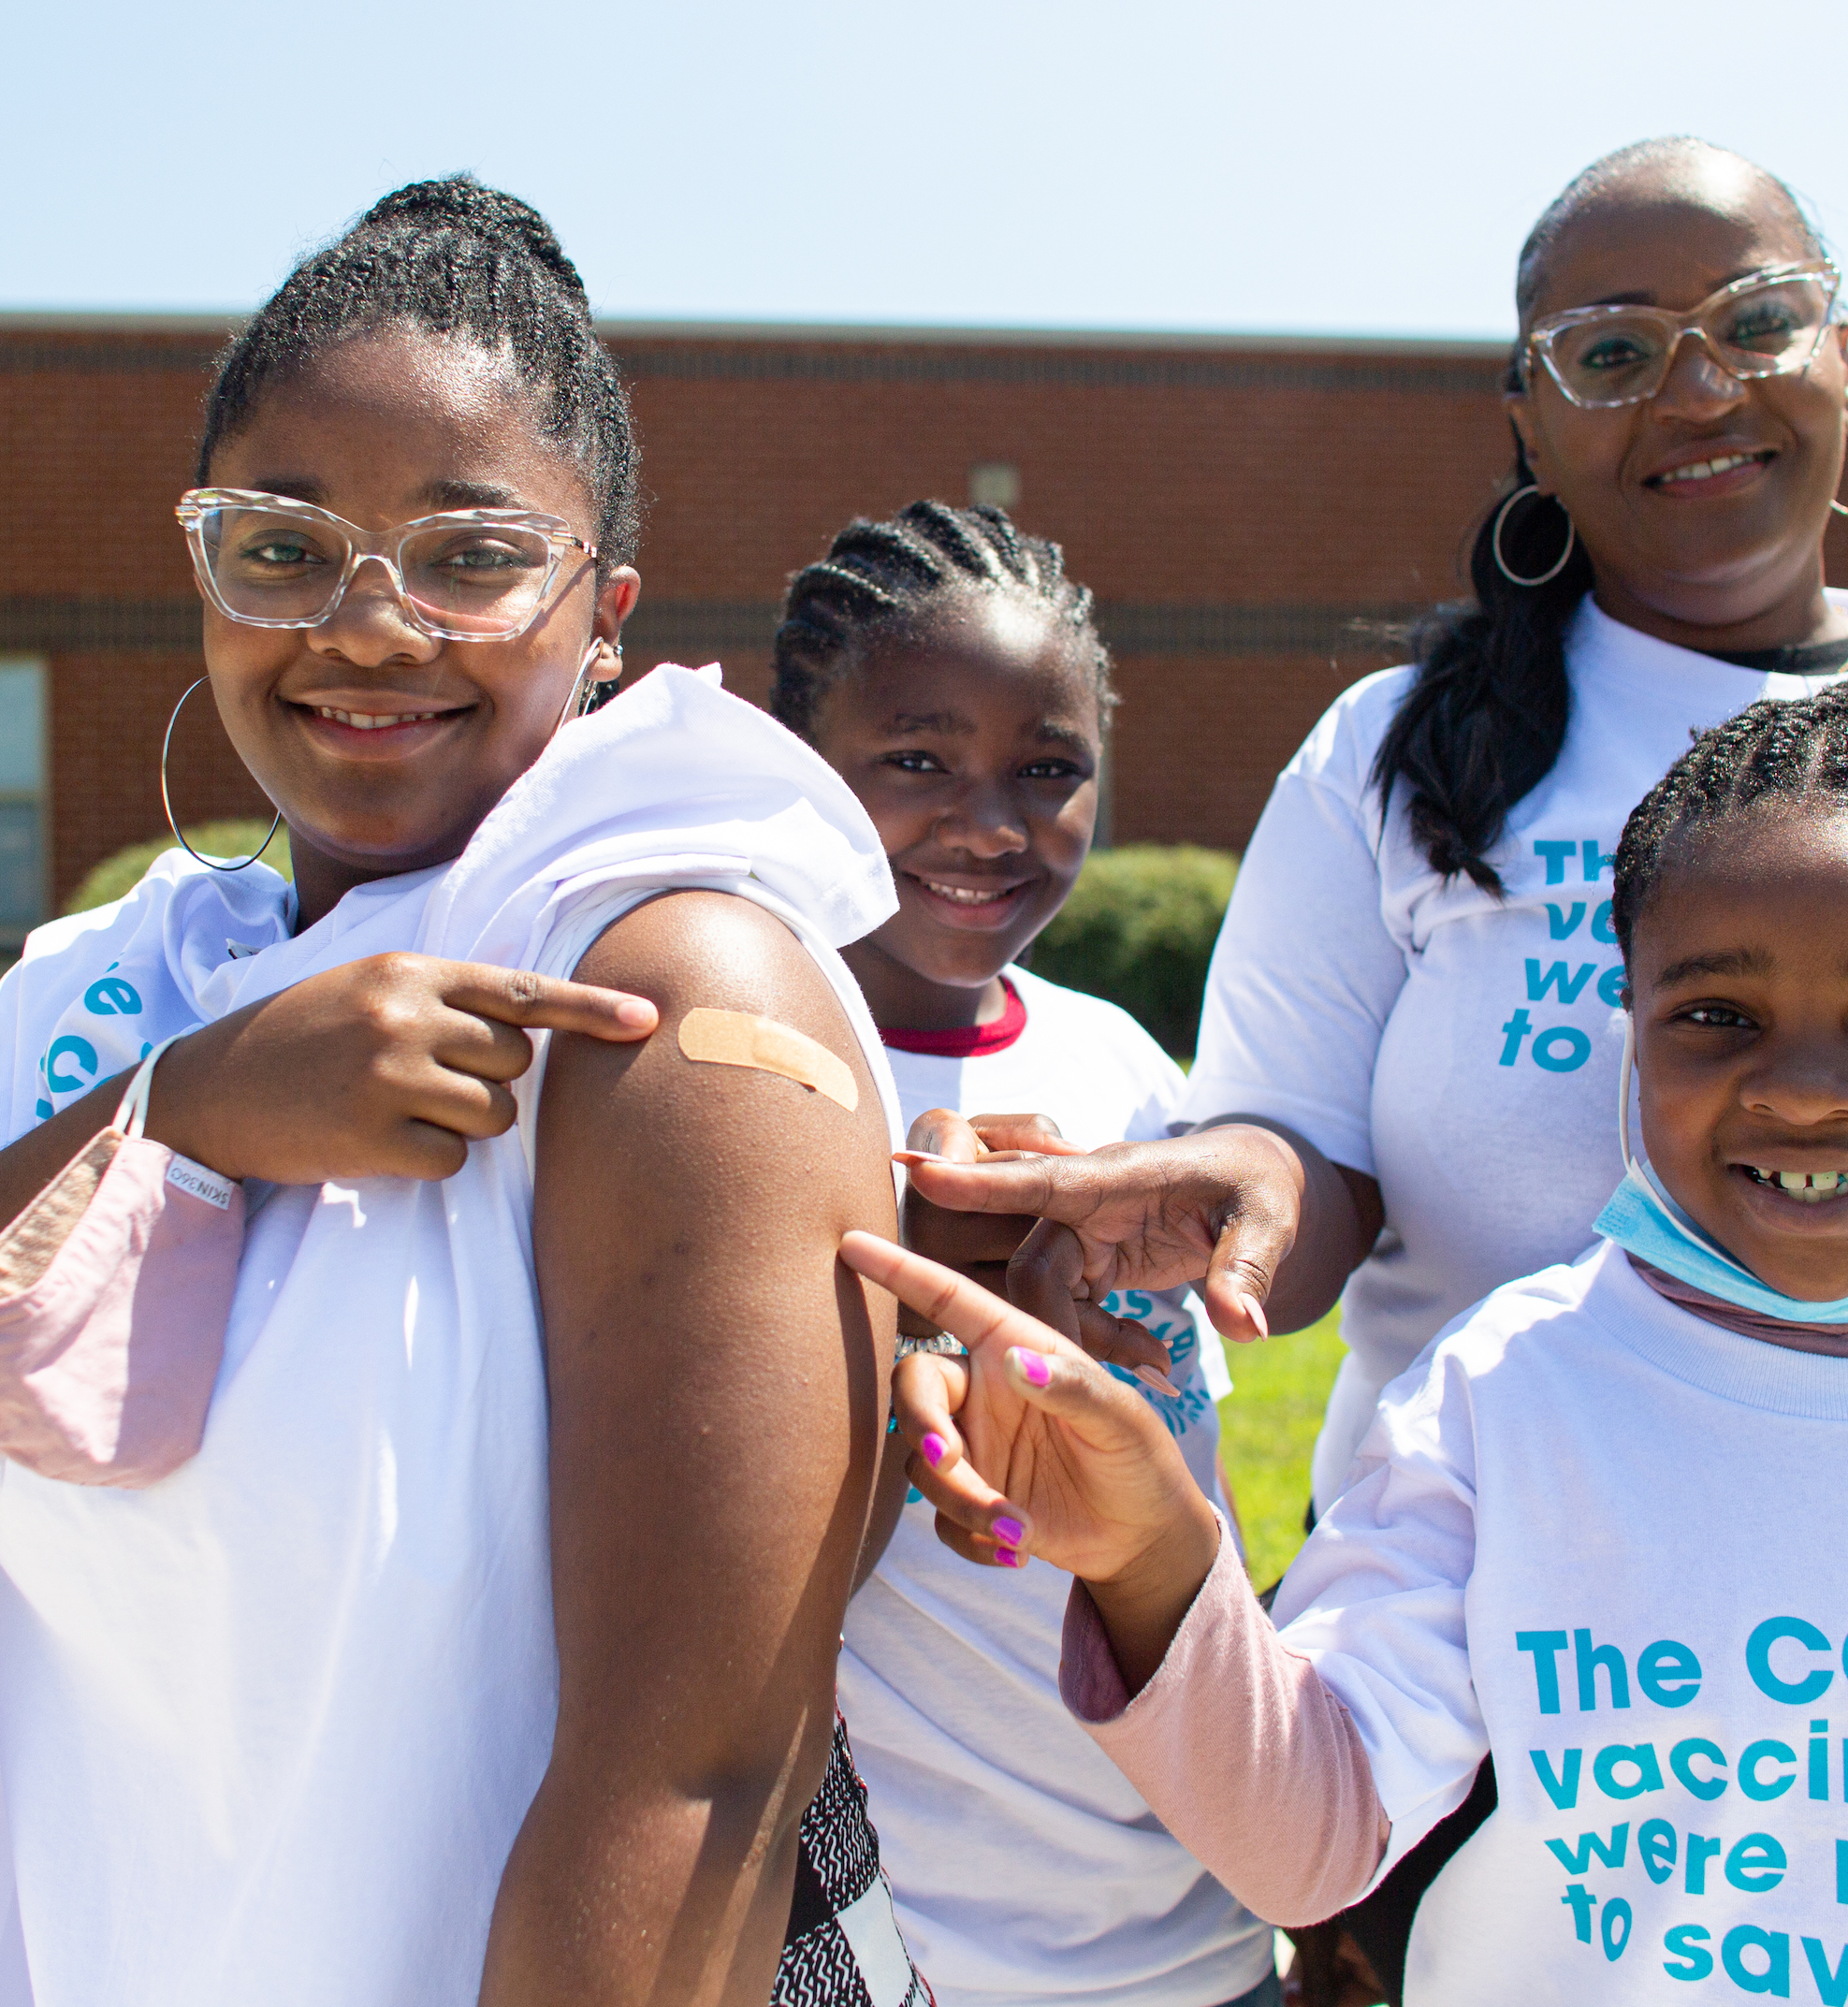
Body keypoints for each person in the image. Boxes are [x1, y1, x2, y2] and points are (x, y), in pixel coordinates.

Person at [901, 137, 1848, 1991]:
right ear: (1528, 412)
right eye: (1611, 349)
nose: (1700, 387)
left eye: (1757, 321)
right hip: (1513, 1690)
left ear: (1846, 356)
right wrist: (1226, 1200)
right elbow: (1301, 1136)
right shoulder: (1405, 757)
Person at [0, 180, 924, 2007]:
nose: (370, 629)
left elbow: (695, 1785)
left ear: (602, 608)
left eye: (467, 556)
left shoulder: (676, 997)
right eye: (284, 550)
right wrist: (189, 1104)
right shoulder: (123, 983)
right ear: (203, 570)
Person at [868, 664, 1848, 2007]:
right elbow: (1308, 1837)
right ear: (1634, 1035)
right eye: (1718, 1015)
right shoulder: (1507, 1392)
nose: (1813, 1089)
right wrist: (1150, 1550)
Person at [770, 501, 1280, 2007]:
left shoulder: (1119, 1061)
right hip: (922, 1932)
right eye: (917, 761)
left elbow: (1196, 1471)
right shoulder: (755, 1071)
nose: (990, 823)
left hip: (1191, 1912)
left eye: (1047, 770)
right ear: (806, 770)